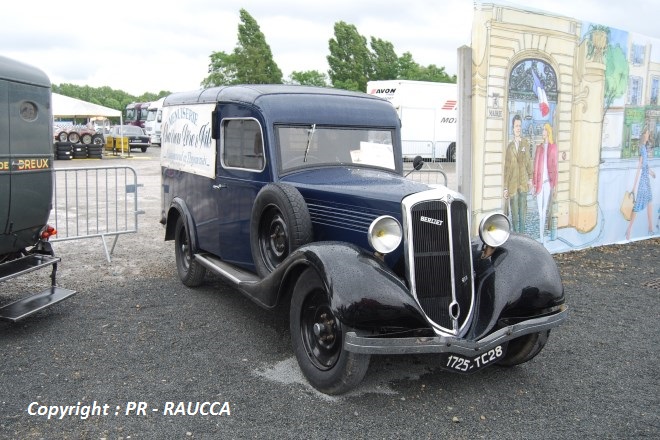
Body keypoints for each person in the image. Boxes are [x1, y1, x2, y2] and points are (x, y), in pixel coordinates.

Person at [625, 125, 656, 240]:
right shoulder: (642, 148)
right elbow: (639, 167)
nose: (648, 135)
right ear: (644, 135)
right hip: (643, 181)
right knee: (638, 206)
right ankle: (629, 230)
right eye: (647, 133)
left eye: (649, 133)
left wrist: (651, 173)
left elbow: (645, 166)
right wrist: (634, 186)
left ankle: (650, 228)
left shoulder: (644, 148)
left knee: (649, 201)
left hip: (645, 179)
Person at [504, 114, 533, 234]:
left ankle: (523, 235)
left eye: (520, 126)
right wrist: (505, 188)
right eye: (516, 126)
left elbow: (528, 162)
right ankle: (516, 235)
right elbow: (506, 169)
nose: (518, 128)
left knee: (523, 213)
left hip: (522, 183)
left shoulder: (525, 144)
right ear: (513, 128)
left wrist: (530, 178)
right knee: (515, 215)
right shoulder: (509, 147)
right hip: (512, 185)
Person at [533, 123, 558, 242]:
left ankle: (542, 237)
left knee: (544, 210)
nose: (542, 132)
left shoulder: (553, 148)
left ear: (548, 132)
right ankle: (541, 235)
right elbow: (536, 167)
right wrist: (534, 183)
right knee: (540, 211)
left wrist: (555, 185)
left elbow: (555, 167)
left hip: (548, 183)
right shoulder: (539, 148)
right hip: (539, 183)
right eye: (542, 130)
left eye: (544, 130)